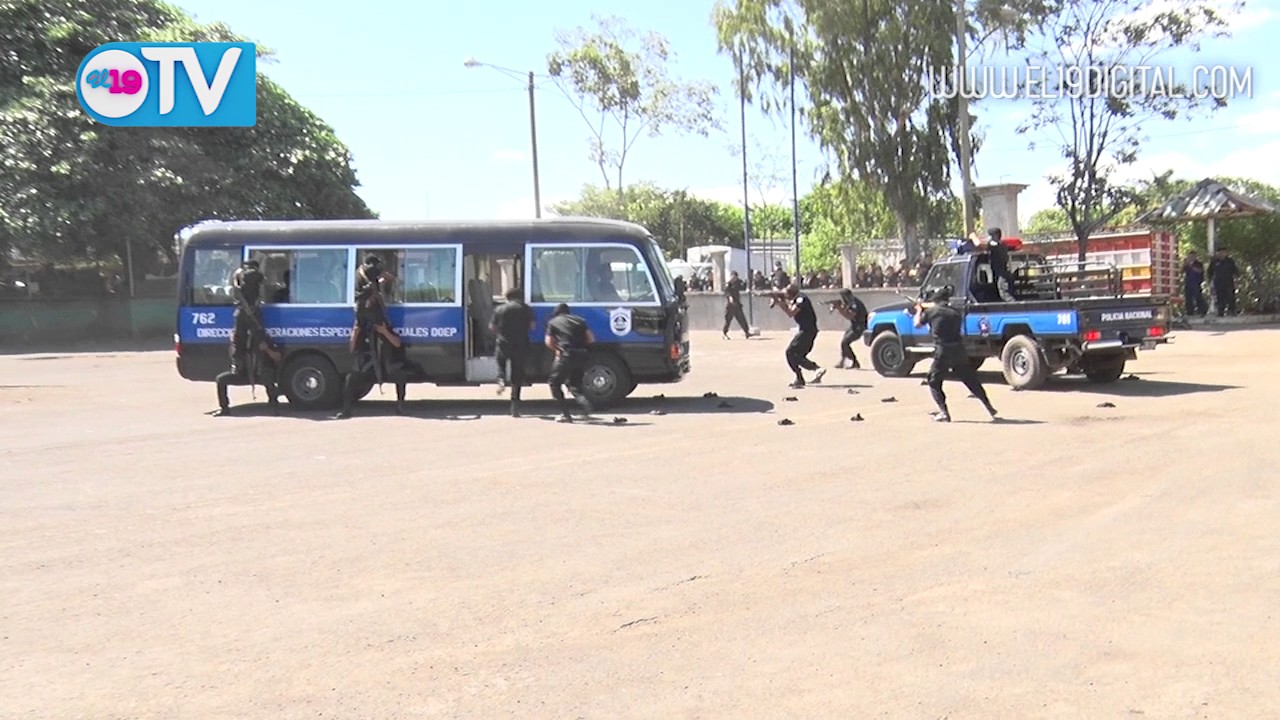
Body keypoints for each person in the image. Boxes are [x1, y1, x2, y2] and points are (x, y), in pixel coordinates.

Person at [334, 256, 423, 419]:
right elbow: (352, 347)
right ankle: (347, 411)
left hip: (386, 364)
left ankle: (400, 407)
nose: (367, 305)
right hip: (370, 366)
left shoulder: (382, 321)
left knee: (401, 375)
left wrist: (383, 332)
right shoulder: (363, 322)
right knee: (350, 379)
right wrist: (357, 331)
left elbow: (397, 343)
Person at [913, 284, 997, 422]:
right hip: (959, 349)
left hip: (943, 350)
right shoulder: (955, 312)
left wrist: (918, 310)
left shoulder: (932, 312)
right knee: (970, 380)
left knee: (933, 381)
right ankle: (989, 406)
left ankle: (943, 412)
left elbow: (917, 324)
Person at [214, 259, 284, 416]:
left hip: (255, 370)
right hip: (248, 370)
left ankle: (273, 404)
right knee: (222, 379)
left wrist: (265, 349)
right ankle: (273, 405)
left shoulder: (240, 277)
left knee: (264, 370)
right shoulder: (257, 282)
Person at [545, 303, 595, 422]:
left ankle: (565, 414)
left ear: (556, 313)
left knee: (554, 383)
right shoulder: (580, 320)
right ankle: (584, 403)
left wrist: (557, 349)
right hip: (582, 355)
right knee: (574, 384)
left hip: (566, 355)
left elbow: (548, 341)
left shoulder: (553, 322)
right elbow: (591, 339)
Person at [490, 287, 536, 416]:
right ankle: (514, 407)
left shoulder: (499, 309)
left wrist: (500, 332)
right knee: (517, 376)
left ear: (507, 297)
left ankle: (501, 379)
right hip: (521, 345)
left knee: (501, 364)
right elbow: (532, 327)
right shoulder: (527, 309)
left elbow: (492, 327)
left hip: (503, 343)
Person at [772, 283, 825, 389]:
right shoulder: (798, 298)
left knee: (790, 352)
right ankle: (811, 372)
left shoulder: (801, 299)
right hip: (806, 330)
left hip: (807, 331)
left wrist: (780, 303)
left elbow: (791, 312)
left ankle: (809, 372)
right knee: (797, 355)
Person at [831, 288, 868, 369]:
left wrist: (839, 309)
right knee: (843, 341)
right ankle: (842, 361)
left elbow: (850, 316)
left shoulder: (854, 303)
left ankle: (855, 362)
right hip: (855, 325)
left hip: (860, 326)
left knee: (845, 343)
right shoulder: (850, 302)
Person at [981, 228, 1016, 302]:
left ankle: (1016, 308)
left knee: (1005, 294)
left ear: (996, 236)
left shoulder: (995, 245)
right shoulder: (1002, 245)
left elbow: (982, 245)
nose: (990, 237)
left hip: (1002, 274)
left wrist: (972, 236)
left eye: (991, 235)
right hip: (1002, 273)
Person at [722, 270, 755, 339]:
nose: (734, 278)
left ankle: (746, 332)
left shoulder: (737, 283)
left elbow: (743, 286)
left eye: (735, 277)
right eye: (733, 277)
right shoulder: (728, 285)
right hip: (730, 306)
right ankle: (724, 333)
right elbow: (727, 293)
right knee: (728, 320)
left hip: (737, 304)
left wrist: (748, 286)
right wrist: (730, 298)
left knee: (742, 319)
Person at [1208, 247, 1240, 316]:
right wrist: (1210, 281)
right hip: (1218, 282)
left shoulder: (1230, 261)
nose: (1222, 254)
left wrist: (1237, 279)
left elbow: (1235, 270)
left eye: (1224, 252)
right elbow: (1210, 272)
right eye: (1220, 252)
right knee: (1219, 297)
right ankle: (1220, 312)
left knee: (1230, 296)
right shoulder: (1214, 261)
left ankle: (1232, 311)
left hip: (1228, 282)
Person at [1182, 251, 1207, 317]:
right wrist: (1185, 264)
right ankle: (1189, 312)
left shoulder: (1198, 264)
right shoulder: (1186, 265)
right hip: (1188, 283)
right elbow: (1182, 271)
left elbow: (1199, 271)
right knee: (1188, 298)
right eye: (1190, 257)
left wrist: (1192, 266)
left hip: (1196, 282)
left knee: (1198, 297)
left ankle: (1201, 311)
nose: (1191, 258)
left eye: (1193, 256)